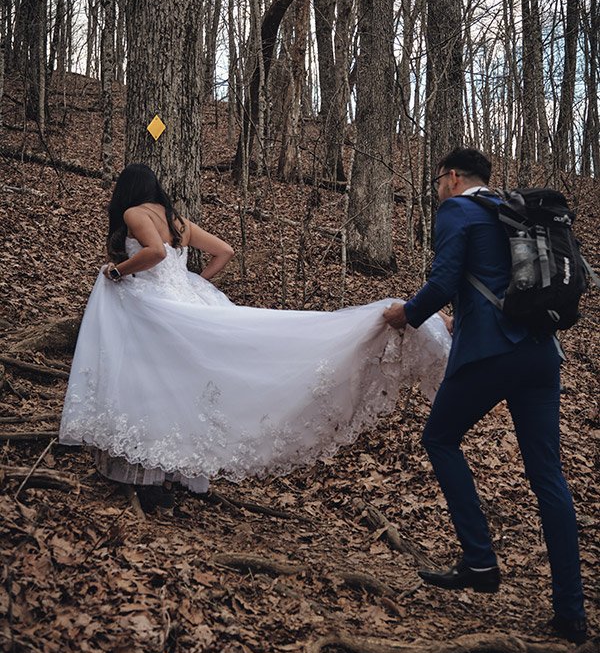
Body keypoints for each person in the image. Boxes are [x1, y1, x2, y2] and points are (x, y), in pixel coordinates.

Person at [60, 163, 451, 509]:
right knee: (177, 382)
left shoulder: (132, 212)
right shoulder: (175, 220)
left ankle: (151, 476)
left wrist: (119, 271)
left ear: (127, 190)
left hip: (154, 304)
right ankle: (168, 475)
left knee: (150, 379)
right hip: (179, 300)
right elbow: (224, 251)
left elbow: (156, 255)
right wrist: (191, 283)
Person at [383, 148, 587, 645]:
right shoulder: (507, 210)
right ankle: (571, 612)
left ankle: (479, 561)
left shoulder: (457, 210)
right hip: (542, 353)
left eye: (437, 181)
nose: (437, 190)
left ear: (451, 177)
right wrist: (458, 317)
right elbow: (497, 281)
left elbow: (444, 280)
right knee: (548, 477)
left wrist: (406, 315)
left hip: (493, 355)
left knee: (440, 438)